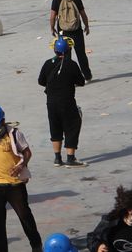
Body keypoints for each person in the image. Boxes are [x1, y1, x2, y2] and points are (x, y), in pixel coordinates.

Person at [0, 105, 42, 252]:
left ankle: (36, 246)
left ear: (3, 121)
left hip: (15, 185)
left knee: (25, 216)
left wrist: (22, 164)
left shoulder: (15, 134)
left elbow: (27, 152)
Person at [38, 37, 86, 167]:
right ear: (68, 49)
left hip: (51, 103)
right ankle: (70, 158)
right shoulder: (72, 64)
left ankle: (57, 158)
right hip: (67, 102)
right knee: (72, 127)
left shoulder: (48, 63)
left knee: (55, 128)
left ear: (55, 50)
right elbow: (81, 82)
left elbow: (41, 81)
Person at [49, 0, 92, 82]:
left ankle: (69, 78)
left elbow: (52, 16)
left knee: (66, 56)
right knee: (81, 54)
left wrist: (52, 28)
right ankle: (87, 76)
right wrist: (86, 26)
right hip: (76, 31)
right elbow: (83, 15)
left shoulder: (57, 0)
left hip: (63, 32)